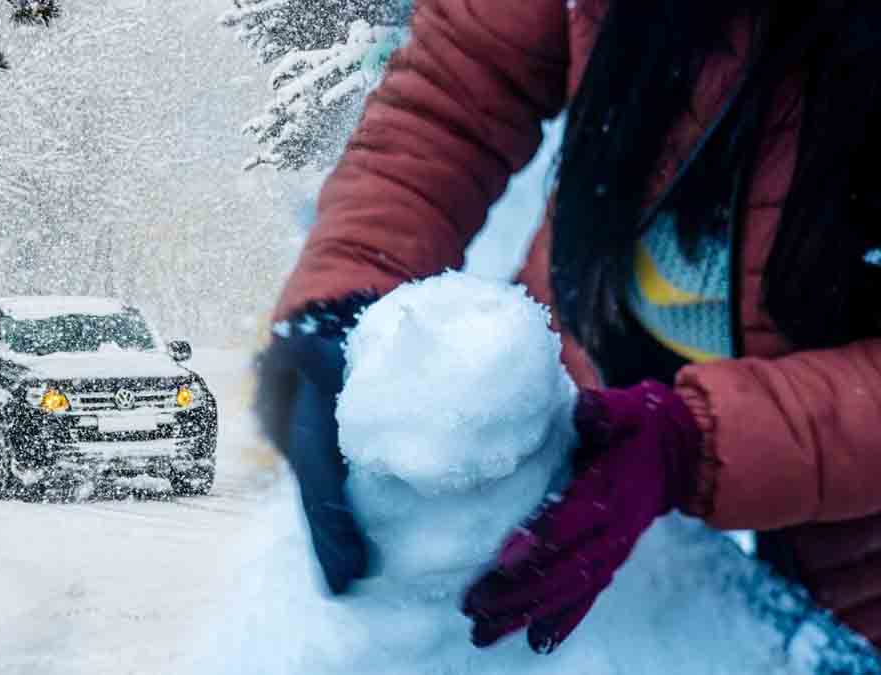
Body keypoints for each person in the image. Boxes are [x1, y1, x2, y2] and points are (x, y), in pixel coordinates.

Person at [255, 0, 881, 655]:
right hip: (587, 409)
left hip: (853, 548)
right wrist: (340, 298)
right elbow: (455, 90)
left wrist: (696, 444)